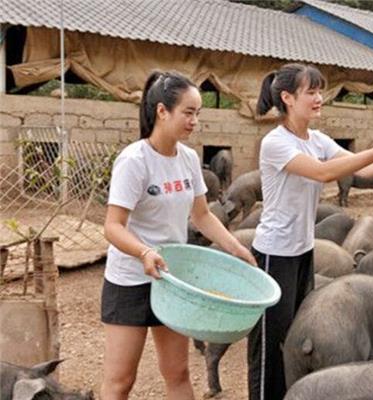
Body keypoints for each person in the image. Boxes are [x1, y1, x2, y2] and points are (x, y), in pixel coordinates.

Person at [248, 63, 373, 399]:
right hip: (273, 254)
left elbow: (366, 168)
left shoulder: (317, 139)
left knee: (294, 338)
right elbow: (322, 173)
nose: (318, 98)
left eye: (319, 91)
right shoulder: (275, 143)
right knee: (269, 345)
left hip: (301, 251)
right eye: (310, 92)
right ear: (287, 97)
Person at [101, 71, 257, 400]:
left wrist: (235, 246)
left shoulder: (187, 159)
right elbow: (113, 226)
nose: (194, 121)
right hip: (130, 280)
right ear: (162, 111)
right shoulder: (134, 161)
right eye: (188, 112)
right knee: (121, 380)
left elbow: (201, 215)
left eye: (198, 113)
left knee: (178, 372)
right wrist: (144, 253)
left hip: (172, 281)